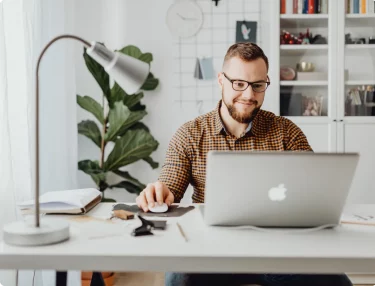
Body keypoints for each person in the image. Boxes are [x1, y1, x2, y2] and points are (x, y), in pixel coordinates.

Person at [135, 42, 352, 286]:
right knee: (178, 278)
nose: (249, 95)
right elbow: (169, 186)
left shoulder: (287, 133)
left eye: (258, 85)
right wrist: (159, 192)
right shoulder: (190, 134)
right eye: (239, 84)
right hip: (211, 251)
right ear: (221, 80)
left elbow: (316, 192)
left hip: (278, 251)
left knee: (337, 282)